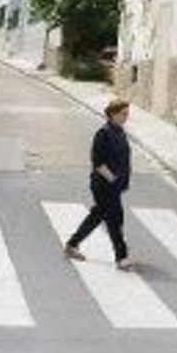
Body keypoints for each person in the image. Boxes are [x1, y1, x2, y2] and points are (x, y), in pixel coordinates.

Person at [64, 98, 136, 271]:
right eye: (123, 114)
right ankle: (121, 257)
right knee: (115, 219)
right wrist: (113, 180)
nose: (126, 117)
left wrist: (122, 181)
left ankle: (72, 244)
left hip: (114, 185)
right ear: (112, 114)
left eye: (127, 114)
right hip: (103, 185)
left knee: (98, 216)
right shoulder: (103, 133)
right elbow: (98, 162)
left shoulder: (119, 132)